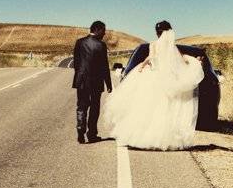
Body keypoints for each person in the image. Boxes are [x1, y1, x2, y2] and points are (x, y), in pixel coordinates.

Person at [104, 21, 205, 150]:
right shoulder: (171, 47)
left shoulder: (154, 44)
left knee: (145, 108)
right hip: (167, 80)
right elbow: (181, 61)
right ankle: (160, 139)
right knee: (165, 110)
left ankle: (140, 137)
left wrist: (142, 65)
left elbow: (151, 57)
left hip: (152, 78)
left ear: (157, 33)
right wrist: (194, 61)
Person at [72, 21, 112, 144]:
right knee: (94, 107)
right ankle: (92, 134)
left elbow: (76, 62)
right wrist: (108, 84)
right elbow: (105, 66)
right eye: (103, 30)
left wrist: (80, 75)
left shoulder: (79, 42)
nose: (104, 33)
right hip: (96, 80)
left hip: (82, 80)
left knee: (81, 106)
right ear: (97, 29)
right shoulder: (101, 45)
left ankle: (80, 129)